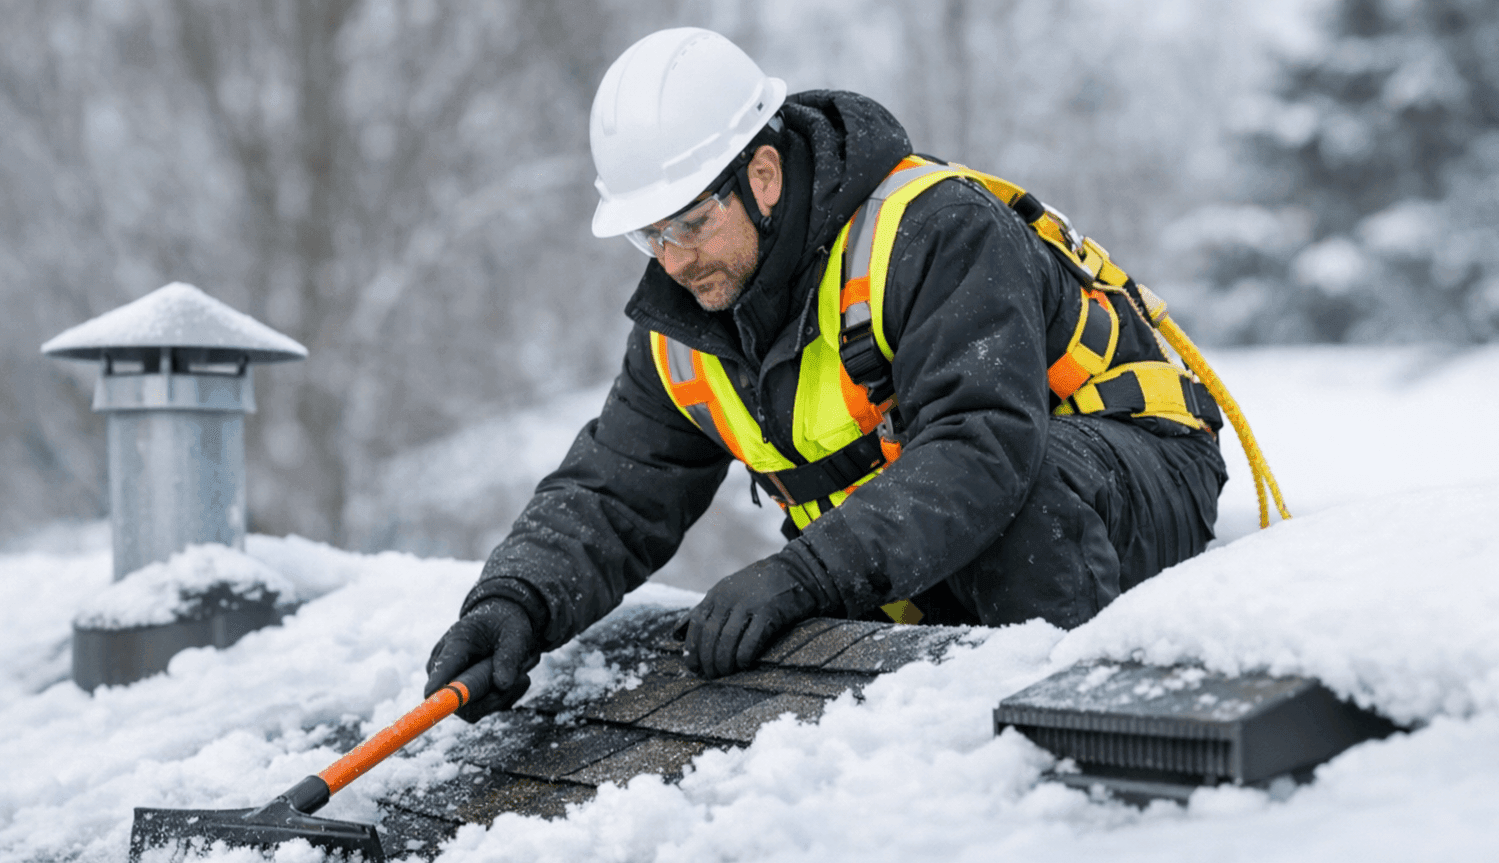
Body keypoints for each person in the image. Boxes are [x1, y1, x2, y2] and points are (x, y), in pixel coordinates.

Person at [425, 27, 1228, 720]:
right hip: (953, 525)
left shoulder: (932, 230)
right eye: (648, 237)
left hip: (1133, 467)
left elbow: (984, 449)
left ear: (764, 176)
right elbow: (616, 487)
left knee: (1026, 494)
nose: (672, 260)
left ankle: (1054, 743)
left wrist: (803, 575)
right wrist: (515, 600)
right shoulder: (685, 318)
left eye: (690, 224)